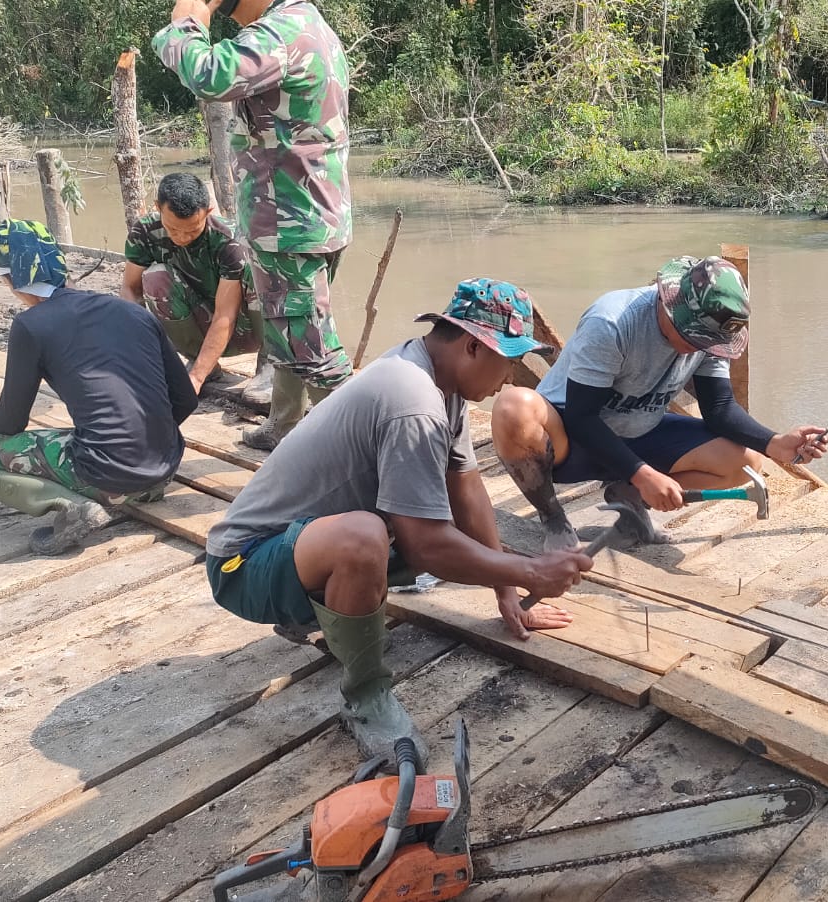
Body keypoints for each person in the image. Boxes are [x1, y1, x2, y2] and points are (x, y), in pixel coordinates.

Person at [204, 279, 593, 767]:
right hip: (244, 564)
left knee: (422, 517)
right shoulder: (413, 400)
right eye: (507, 360)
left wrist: (507, 593)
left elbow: (467, 487)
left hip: (300, 547)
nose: (510, 377)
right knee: (368, 537)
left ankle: (314, 609)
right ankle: (364, 695)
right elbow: (428, 548)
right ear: (472, 345)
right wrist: (530, 572)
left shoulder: (435, 379)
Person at [491, 256, 828, 550]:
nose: (699, 347)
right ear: (670, 307)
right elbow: (581, 416)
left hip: (640, 432)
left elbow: (720, 407)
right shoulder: (613, 322)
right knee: (513, 407)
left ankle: (628, 496)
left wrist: (775, 443)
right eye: (694, 338)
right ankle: (553, 518)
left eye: (708, 343)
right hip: (570, 439)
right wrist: (643, 473)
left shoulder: (710, 337)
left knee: (744, 459)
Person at [154, 0, 357, 451]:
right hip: (305, 216)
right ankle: (284, 425)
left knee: (314, 349)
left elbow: (209, 74)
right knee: (289, 325)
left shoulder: (278, 34)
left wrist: (185, 24)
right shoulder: (305, 22)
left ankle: (359, 455)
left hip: (290, 222)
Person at [0, 220, 198, 554]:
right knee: (85, 437)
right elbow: (186, 400)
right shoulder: (132, 312)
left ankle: (69, 506)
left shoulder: (31, 326)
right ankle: (122, 484)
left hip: (109, 479)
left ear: (9, 279)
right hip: (162, 475)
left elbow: (9, 423)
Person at [122, 172, 268, 397]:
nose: (181, 237)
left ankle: (269, 366)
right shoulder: (145, 232)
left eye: (192, 230)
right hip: (197, 327)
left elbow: (225, 314)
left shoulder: (228, 240)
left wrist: (196, 378)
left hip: (243, 329)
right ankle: (199, 359)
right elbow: (130, 290)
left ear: (208, 213)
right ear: (158, 208)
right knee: (155, 277)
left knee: (257, 270)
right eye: (172, 229)